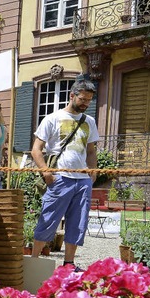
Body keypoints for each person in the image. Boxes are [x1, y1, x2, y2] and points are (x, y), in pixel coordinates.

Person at [31, 79, 99, 268]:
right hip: (59, 178)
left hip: (82, 180)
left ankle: (68, 264)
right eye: (82, 99)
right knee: (48, 219)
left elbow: (91, 151)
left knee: (78, 223)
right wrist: (46, 173)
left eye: (89, 100)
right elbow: (36, 149)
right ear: (72, 95)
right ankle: (34, 262)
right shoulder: (53, 118)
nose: (85, 103)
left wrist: (92, 174)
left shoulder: (89, 122)